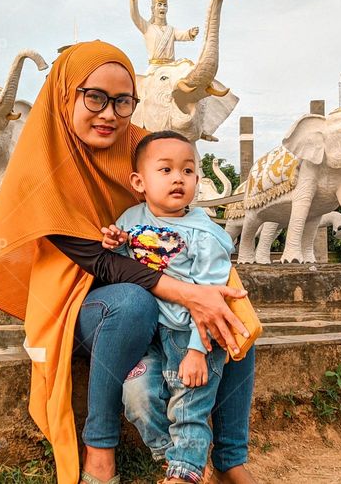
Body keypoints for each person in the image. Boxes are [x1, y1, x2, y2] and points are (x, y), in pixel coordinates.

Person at [0, 40, 257, 484]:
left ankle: (230, 458)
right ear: (67, 96)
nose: (109, 114)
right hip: (86, 307)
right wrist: (190, 294)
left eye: (122, 101)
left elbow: (185, 225)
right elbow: (104, 266)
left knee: (233, 311)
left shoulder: (141, 149)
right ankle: (99, 451)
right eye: (95, 98)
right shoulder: (43, 167)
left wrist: (216, 293)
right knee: (130, 302)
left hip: (159, 292)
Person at [100, 130, 237, 483]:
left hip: (192, 335)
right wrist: (113, 245)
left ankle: (184, 472)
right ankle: (173, 457)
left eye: (188, 171)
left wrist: (197, 352)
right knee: (136, 395)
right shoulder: (130, 219)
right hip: (150, 334)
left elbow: (212, 298)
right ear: (139, 181)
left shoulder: (206, 234)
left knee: (188, 407)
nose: (179, 178)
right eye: (166, 170)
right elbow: (121, 269)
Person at [129, 0, 199, 67]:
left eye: (165, 5)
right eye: (159, 5)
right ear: (153, 9)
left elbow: (182, 34)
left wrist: (190, 33)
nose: (162, 8)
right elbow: (135, 14)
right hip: (154, 69)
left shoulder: (171, 30)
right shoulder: (147, 27)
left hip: (171, 68)